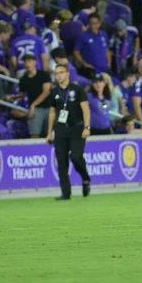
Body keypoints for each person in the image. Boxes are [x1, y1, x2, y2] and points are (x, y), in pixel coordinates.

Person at [46, 64, 91, 201]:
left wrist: (87, 127)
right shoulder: (54, 92)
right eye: (56, 73)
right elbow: (52, 112)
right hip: (60, 130)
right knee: (61, 162)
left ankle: (85, 179)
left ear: (67, 73)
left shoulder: (77, 90)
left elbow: (85, 109)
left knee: (76, 157)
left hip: (77, 129)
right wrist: (49, 133)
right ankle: (66, 193)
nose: (58, 75)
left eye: (61, 72)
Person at [9, 54, 51, 138]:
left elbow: (46, 92)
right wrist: (12, 97)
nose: (27, 64)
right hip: (36, 110)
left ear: (35, 62)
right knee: (34, 134)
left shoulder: (44, 75)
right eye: (25, 62)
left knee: (50, 134)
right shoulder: (23, 79)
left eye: (29, 61)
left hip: (49, 107)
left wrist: (33, 105)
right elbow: (21, 95)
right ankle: (37, 151)